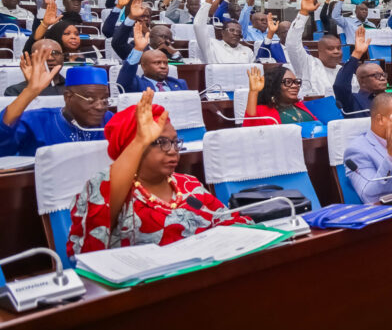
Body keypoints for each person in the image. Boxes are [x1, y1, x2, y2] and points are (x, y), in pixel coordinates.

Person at [67, 90, 251, 255]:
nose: (172, 150)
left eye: (174, 142)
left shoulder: (189, 184)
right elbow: (92, 243)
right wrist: (140, 140)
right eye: (160, 142)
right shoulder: (113, 194)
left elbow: (227, 221)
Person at [0, 55, 112, 156]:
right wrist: (30, 92)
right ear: (68, 97)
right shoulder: (37, 121)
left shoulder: (109, 120)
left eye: (104, 99)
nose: (100, 107)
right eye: (90, 99)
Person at [279, 0, 344, 97]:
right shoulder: (308, 64)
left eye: (338, 48)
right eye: (330, 48)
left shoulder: (343, 72)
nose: (336, 52)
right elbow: (292, 45)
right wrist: (303, 13)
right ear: (320, 51)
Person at [29, 0, 102, 61]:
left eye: (76, 34)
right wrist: (44, 8)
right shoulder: (50, 54)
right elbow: (36, 38)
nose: (73, 37)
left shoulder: (92, 51)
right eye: (67, 33)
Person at [192, 0, 255, 64]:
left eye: (238, 32)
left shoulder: (247, 51)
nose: (236, 33)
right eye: (231, 30)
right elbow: (198, 25)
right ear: (222, 32)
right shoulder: (211, 45)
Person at [116, 23, 188, 92]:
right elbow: (124, 79)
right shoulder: (137, 84)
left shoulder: (179, 83)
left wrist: (172, 51)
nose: (163, 66)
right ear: (143, 66)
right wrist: (138, 49)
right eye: (157, 63)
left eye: (166, 63)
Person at [333, 27, 388, 116]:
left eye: (383, 75)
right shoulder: (353, 100)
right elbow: (340, 86)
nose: (382, 79)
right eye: (377, 75)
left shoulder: (390, 99)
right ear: (362, 81)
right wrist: (357, 54)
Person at [244, 66, 317, 126]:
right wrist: (253, 92)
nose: (295, 86)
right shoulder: (262, 111)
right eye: (288, 82)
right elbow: (251, 122)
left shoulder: (301, 105)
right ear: (275, 85)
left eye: (296, 82)